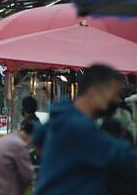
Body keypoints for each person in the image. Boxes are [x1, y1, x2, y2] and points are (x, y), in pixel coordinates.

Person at [33, 64, 137, 195]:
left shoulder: (63, 116)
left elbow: (37, 137)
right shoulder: (77, 126)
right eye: (114, 94)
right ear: (94, 92)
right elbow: (123, 156)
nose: (117, 100)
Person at [0, 120, 36, 195]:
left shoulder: (5, 139)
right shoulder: (20, 145)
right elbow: (28, 176)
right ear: (31, 136)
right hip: (3, 191)